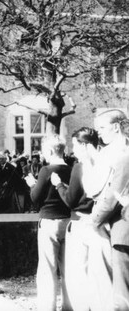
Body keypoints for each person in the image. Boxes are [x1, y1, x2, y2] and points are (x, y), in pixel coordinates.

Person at [50, 127, 111, 311]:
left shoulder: (80, 166)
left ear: (84, 145)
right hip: (101, 224)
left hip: (80, 224)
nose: (73, 150)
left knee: (78, 276)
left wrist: (59, 184)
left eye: (75, 145)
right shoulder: (105, 163)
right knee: (99, 276)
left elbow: (70, 200)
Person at [28, 135, 72, 311]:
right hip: (68, 221)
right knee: (68, 268)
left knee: (48, 268)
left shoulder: (46, 170)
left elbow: (35, 198)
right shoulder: (72, 169)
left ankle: (48, 307)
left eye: (44, 150)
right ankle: (70, 306)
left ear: (51, 151)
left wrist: (32, 184)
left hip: (48, 221)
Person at [91, 109, 129, 311]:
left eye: (102, 128)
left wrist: (95, 220)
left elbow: (112, 196)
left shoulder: (123, 157)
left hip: (122, 230)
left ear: (116, 127)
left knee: (122, 293)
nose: (99, 133)